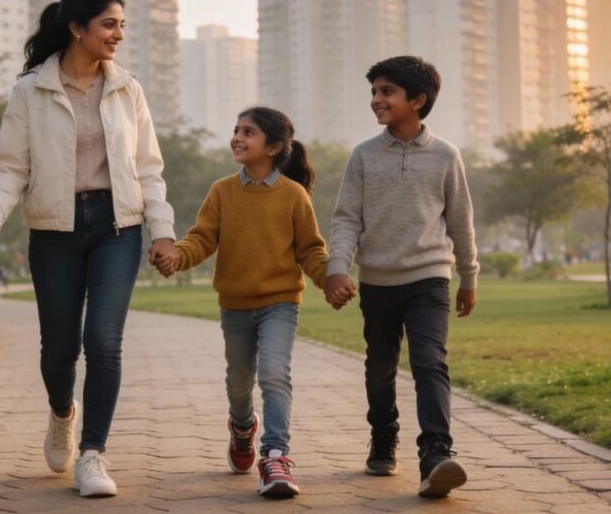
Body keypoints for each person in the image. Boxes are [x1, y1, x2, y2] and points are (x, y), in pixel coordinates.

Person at [0, 0, 177, 498]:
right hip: (55, 229)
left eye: (122, 25)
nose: (119, 34)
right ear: (76, 28)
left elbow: (149, 169)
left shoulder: (127, 88)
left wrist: (163, 232)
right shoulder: (31, 90)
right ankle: (63, 410)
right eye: (109, 24)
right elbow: (9, 168)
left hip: (118, 226)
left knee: (103, 342)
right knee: (59, 349)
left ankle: (93, 455)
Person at [153, 107, 328, 498]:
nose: (237, 137)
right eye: (236, 130)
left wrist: (330, 279)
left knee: (274, 374)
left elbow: (311, 250)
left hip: (281, 301)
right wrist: (177, 256)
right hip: (234, 304)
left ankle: (276, 455)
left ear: (275, 146)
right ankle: (242, 425)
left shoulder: (294, 195)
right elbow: (201, 238)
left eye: (248, 132)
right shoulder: (222, 191)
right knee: (238, 383)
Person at [325, 55, 479, 498]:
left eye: (386, 91)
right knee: (379, 367)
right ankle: (383, 435)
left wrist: (468, 277)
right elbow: (346, 218)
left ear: (417, 100)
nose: (376, 100)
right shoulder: (363, 156)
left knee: (430, 362)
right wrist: (338, 268)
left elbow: (461, 223)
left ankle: (436, 454)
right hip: (377, 280)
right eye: (374, 91)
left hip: (430, 276)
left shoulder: (446, 156)